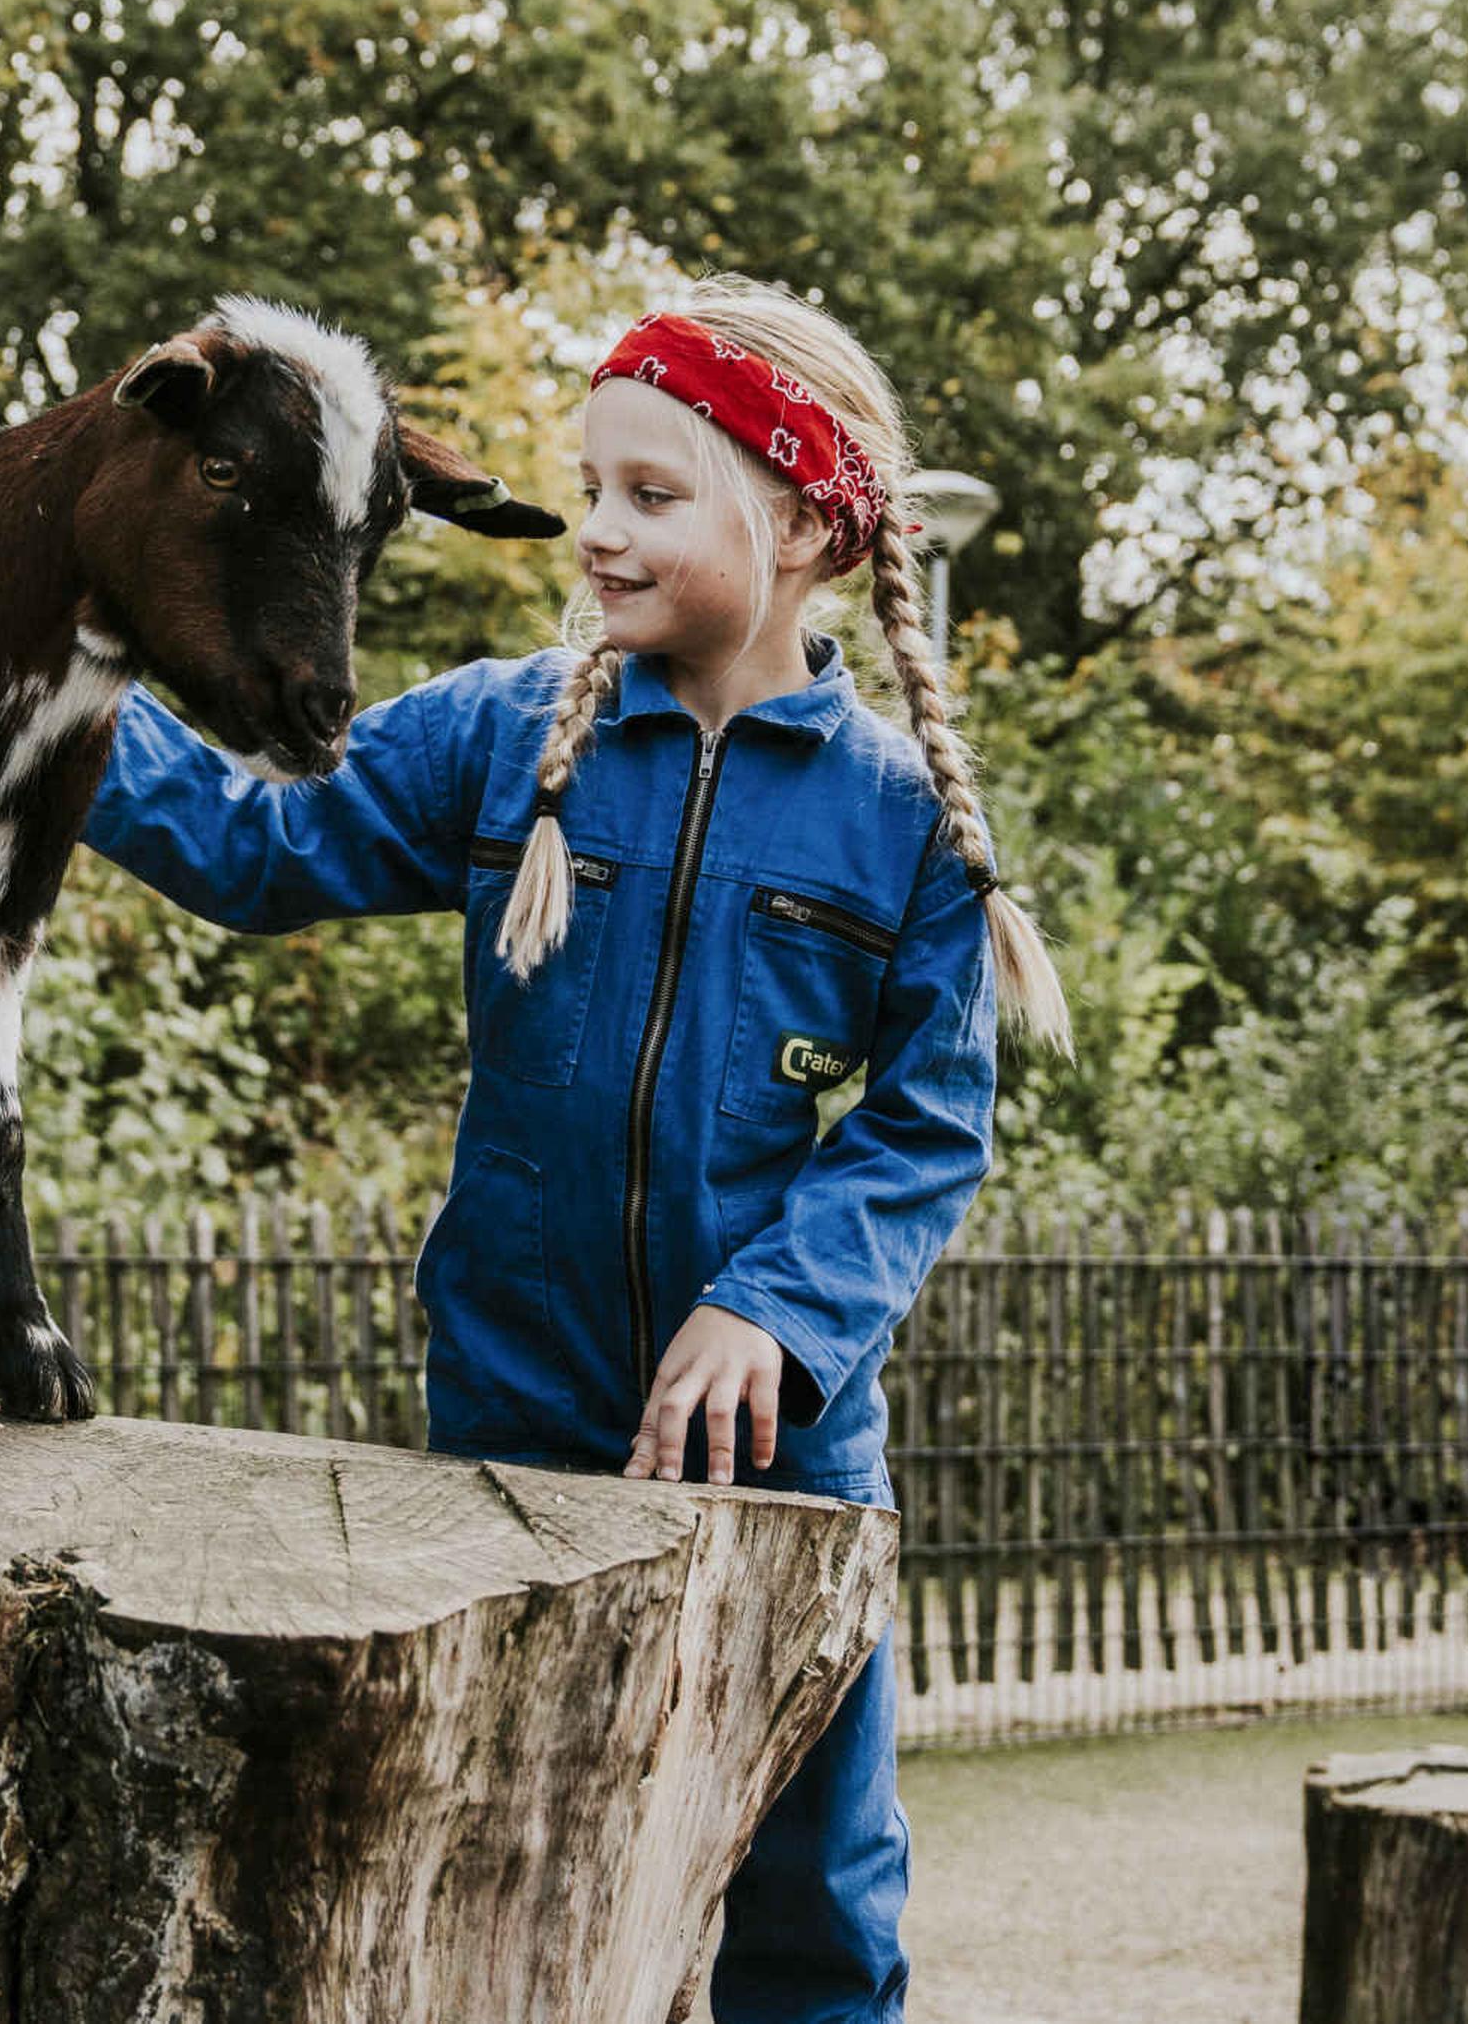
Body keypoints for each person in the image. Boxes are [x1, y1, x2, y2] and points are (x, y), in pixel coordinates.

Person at [75, 275, 1073, 2023]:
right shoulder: (496, 735)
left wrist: (778, 1306)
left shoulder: (900, 822)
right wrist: (39, 676)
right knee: (518, 1886)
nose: (594, 531)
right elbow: (244, 847)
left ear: (809, 526)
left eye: (650, 495)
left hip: (785, 1467)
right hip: (515, 1432)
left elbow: (928, 1128)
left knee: (811, 1917)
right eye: (592, 485)